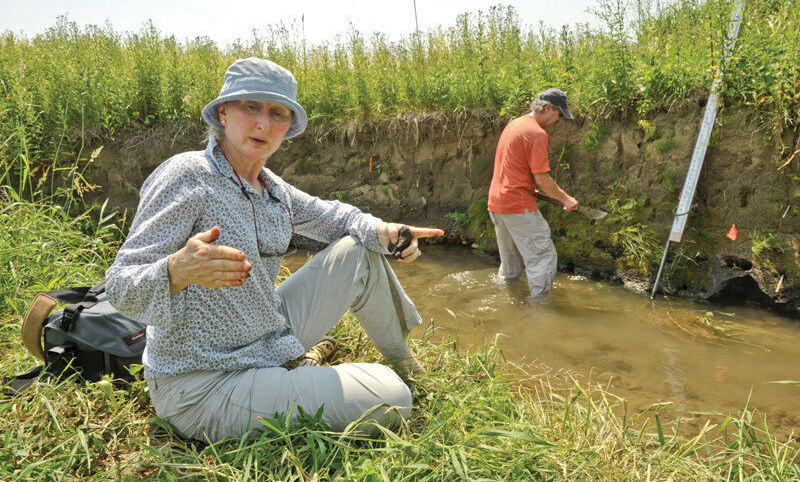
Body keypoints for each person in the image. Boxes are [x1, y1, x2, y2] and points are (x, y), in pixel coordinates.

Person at [105, 57, 444, 442]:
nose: (263, 123)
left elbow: (336, 217)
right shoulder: (187, 176)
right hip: (204, 383)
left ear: (288, 127)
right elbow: (119, 286)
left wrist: (383, 231)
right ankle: (302, 378)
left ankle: (404, 361)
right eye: (250, 107)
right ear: (223, 113)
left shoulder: (274, 190)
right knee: (391, 397)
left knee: (360, 248)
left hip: (264, 336)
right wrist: (176, 271)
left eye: (277, 112)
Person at [487, 88, 579, 298]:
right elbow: (543, 178)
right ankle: (539, 311)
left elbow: (513, 167)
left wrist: (528, 188)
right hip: (518, 206)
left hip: (497, 204)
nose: (560, 121)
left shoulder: (514, 125)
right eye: (559, 115)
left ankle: (506, 301)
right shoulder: (537, 134)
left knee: (510, 265)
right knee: (543, 257)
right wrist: (567, 199)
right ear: (548, 108)